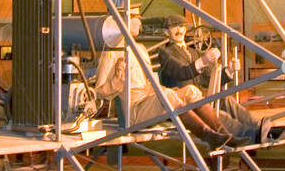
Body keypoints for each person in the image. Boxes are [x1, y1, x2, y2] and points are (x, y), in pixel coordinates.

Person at [93, 47, 238, 151]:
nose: (138, 22)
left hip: (150, 98)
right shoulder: (111, 53)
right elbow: (99, 92)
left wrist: (165, 90)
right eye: (133, 18)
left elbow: (149, 81)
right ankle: (208, 136)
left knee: (191, 91)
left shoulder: (140, 49)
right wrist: (117, 83)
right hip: (135, 110)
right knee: (168, 96)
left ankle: (225, 135)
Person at [154, 16, 261, 143]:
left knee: (226, 100)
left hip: (200, 99)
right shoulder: (164, 52)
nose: (180, 30)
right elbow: (181, 72)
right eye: (175, 27)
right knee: (219, 115)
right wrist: (203, 61)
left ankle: (258, 126)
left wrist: (229, 71)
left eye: (182, 26)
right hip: (183, 103)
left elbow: (208, 79)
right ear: (166, 32)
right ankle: (248, 135)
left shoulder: (194, 52)